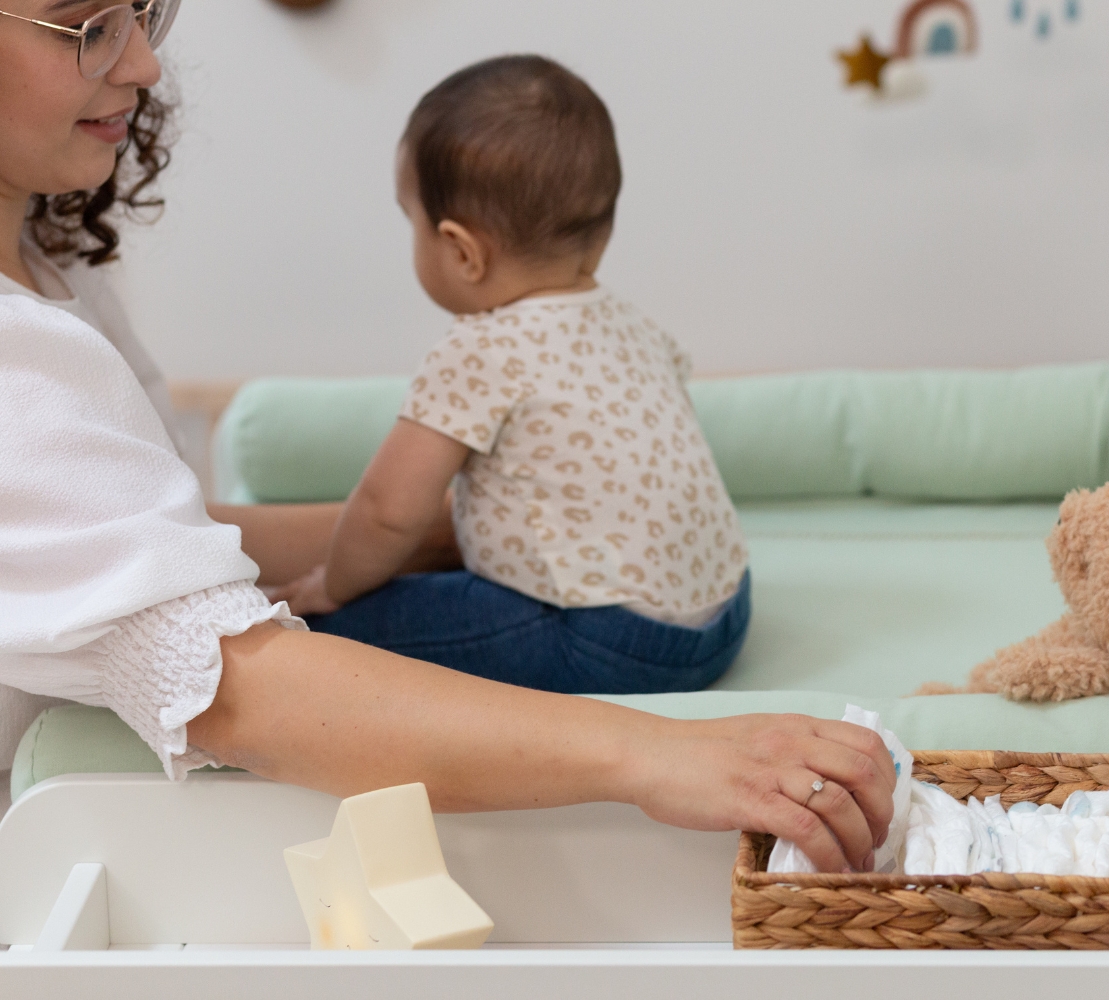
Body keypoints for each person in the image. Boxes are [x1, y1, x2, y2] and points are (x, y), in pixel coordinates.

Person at [0, 0, 894, 874]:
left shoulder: (52, 259)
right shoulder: (621, 323)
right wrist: (654, 752)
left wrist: (408, 551)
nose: (145, 63)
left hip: (594, 626)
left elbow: (176, 535)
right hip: (709, 615)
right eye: (90, 26)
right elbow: (232, 690)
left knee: (364, 599)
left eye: (145, 12)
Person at [276, 57, 751, 695]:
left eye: (410, 221)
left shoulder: (480, 347)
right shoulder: (630, 321)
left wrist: (332, 586)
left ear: (462, 251)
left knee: (336, 629)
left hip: (604, 642)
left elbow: (389, 512)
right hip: (723, 615)